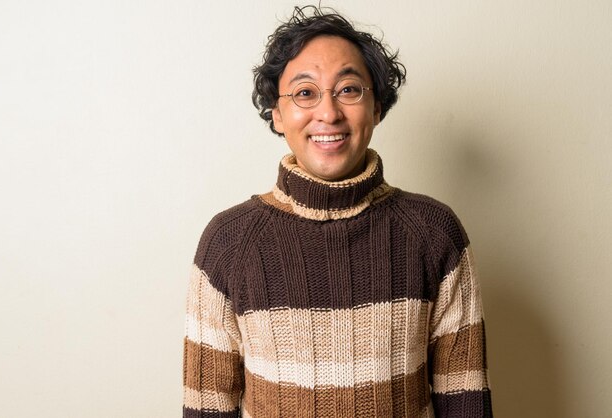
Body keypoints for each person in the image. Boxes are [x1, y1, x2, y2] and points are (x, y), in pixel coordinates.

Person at [183, 5, 492, 418]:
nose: (328, 113)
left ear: (377, 106)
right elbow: (206, 409)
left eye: (348, 89)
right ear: (277, 114)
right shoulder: (228, 242)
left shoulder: (435, 233)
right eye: (305, 93)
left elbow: (467, 403)